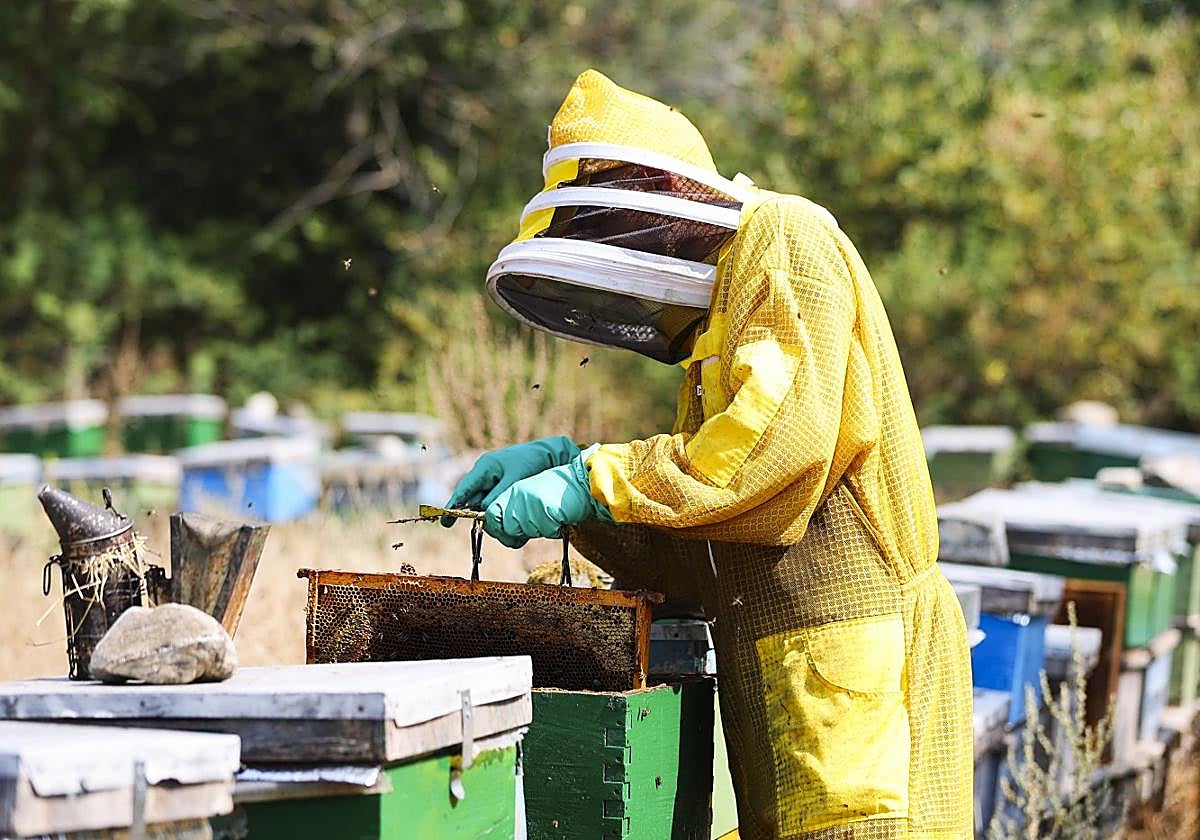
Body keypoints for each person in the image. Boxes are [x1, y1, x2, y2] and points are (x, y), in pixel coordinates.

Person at [444, 69, 972, 839]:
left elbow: (769, 450)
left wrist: (596, 478)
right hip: (794, 686)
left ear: (661, 192)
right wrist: (579, 493)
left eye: (611, 226)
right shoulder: (718, 310)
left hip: (857, 687)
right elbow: (707, 546)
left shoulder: (783, 239)